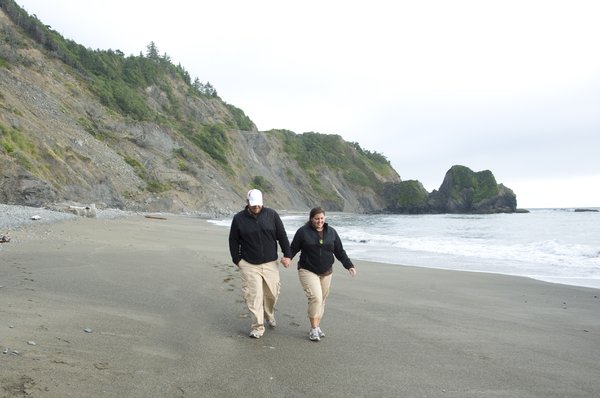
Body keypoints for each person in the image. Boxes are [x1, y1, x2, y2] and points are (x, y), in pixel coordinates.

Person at [229, 189, 291, 339]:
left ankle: (269, 314)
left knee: (272, 294)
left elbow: (281, 235)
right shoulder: (239, 219)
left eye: (258, 204)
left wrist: (287, 254)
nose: (256, 207)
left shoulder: (272, 215)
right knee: (254, 295)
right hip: (249, 263)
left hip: (270, 262)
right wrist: (237, 260)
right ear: (247, 203)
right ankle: (257, 326)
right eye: (253, 205)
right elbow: (233, 240)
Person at [288, 207, 357, 341]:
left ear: (324, 219)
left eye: (321, 218)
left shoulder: (331, 232)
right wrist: (288, 258)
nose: (319, 221)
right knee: (316, 298)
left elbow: (339, 251)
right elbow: (293, 248)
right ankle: (314, 329)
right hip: (307, 270)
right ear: (311, 219)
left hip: (326, 272)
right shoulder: (303, 232)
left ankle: (317, 326)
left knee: (322, 300)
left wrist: (349, 265)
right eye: (316, 218)